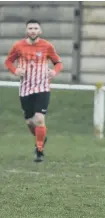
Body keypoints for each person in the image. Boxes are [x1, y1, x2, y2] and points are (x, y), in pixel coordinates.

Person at [4, 19, 63, 162]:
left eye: (35, 28)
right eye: (30, 28)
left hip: (42, 87)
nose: (33, 31)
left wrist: (54, 72)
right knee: (30, 123)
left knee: (39, 119)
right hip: (25, 88)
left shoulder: (47, 46)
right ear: (26, 31)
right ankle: (41, 138)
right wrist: (15, 70)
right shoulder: (18, 46)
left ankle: (39, 150)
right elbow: (8, 62)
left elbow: (58, 63)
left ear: (40, 31)